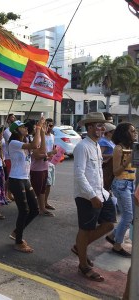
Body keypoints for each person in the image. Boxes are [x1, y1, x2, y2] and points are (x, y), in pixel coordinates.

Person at [72, 112, 115, 282]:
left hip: (101, 193)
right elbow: (79, 175)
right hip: (86, 196)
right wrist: (91, 196)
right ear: (90, 127)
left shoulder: (96, 145)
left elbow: (96, 171)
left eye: (102, 126)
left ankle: (79, 247)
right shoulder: (82, 146)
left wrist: (103, 192)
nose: (103, 128)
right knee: (85, 229)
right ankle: (83, 265)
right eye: (99, 125)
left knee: (109, 223)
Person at [7, 118, 44, 253]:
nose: (25, 128)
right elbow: (34, 146)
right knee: (24, 210)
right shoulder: (14, 143)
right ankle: (18, 241)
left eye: (25, 126)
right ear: (16, 130)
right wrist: (38, 128)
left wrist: (42, 133)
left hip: (25, 178)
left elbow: (38, 148)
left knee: (34, 209)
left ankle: (17, 232)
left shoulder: (24, 142)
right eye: (22, 127)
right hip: (16, 179)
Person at [105, 122, 137, 257]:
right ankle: (117, 245)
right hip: (121, 184)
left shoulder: (132, 147)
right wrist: (129, 159)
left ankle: (113, 236)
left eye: (135, 131)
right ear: (125, 133)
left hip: (130, 184)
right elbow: (116, 171)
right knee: (128, 216)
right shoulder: (119, 148)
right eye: (132, 131)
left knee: (130, 216)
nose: (135, 133)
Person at [29, 121, 55, 217]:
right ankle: (34, 208)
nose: (46, 127)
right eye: (43, 125)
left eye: (46, 125)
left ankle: (42, 208)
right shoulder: (34, 139)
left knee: (43, 189)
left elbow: (43, 154)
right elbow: (36, 155)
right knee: (36, 190)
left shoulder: (46, 137)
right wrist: (48, 154)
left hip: (44, 167)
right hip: (36, 169)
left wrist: (48, 156)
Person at [99, 123, 116, 192]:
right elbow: (99, 154)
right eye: (113, 132)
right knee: (106, 185)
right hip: (106, 166)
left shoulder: (110, 141)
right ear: (108, 133)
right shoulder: (103, 141)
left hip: (112, 166)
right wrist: (111, 155)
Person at [3, 113, 16, 200]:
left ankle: (10, 193)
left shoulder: (16, 130)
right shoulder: (7, 131)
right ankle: (5, 193)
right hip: (8, 156)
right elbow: (13, 141)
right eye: (11, 118)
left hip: (15, 156)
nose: (13, 119)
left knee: (13, 176)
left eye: (14, 118)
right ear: (7, 120)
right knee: (9, 177)